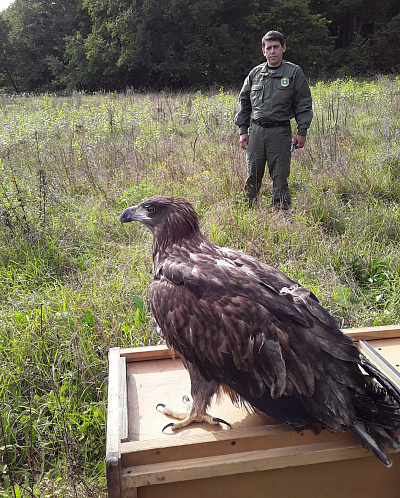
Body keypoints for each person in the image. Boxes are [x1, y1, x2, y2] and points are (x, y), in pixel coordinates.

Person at [235, 31, 313, 210]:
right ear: (263, 51)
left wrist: (302, 131)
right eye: (268, 48)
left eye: (276, 47)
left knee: (279, 175)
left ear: (283, 48)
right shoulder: (255, 73)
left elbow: (303, 104)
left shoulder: (293, 73)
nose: (272, 51)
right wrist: (243, 130)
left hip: (279, 132)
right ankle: (248, 209)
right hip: (256, 131)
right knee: (253, 173)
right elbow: (244, 102)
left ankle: (281, 212)